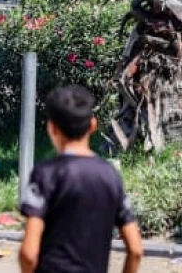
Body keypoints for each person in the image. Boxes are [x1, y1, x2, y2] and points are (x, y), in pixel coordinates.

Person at [19, 86, 143, 273]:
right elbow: (135, 250)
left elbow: (29, 254)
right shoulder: (110, 176)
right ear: (93, 125)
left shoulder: (45, 174)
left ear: (52, 128)